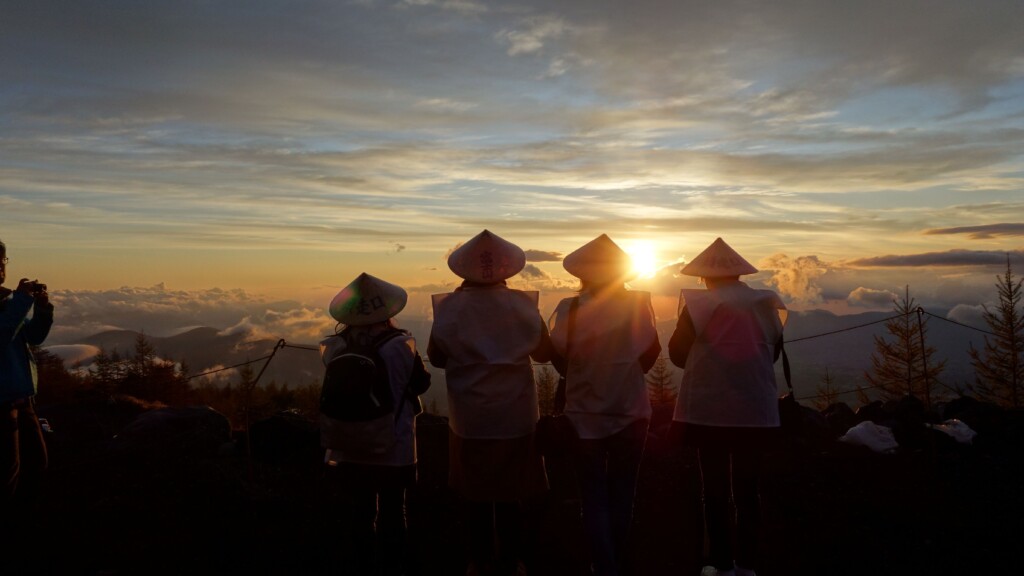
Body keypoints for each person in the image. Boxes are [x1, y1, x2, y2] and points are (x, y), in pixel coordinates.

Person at [427, 229, 552, 576]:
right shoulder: (524, 305)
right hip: (516, 412)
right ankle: (512, 562)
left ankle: (479, 562)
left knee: (475, 494)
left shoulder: (449, 308)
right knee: (511, 492)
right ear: (507, 270)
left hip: (470, 415)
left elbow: (436, 357)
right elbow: (544, 352)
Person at [668, 238, 786, 576]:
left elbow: (677, 354)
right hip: (755, 406)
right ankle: (747, 564)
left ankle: (721, 564)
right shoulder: (765, 303)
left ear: (704, 276)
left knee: (714, 490)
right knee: (748, 490)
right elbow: (772, 352)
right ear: (738, 274)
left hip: (710, 408)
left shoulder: (698, 305)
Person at [547, 234, 660, 576]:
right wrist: (624, 373)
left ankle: (604, 567)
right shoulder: (638, 304)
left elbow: (559, 354)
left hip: (583, 415)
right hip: (631, 411)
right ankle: (618, 563)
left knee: (593, 498)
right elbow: (650, 352)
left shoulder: (569, 308)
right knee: (624, 494)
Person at [319, 272, 431, 576]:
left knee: (360, 512)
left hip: (347, 445)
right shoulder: (402, 345)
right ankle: (393, 566)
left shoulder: (334, 346)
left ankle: (362, 564)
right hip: (394, 444)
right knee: (394, 511)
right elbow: (421, 384)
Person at [1, 239, 54, 527]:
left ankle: (24, 528)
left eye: (1, 262)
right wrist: (22, 302)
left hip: (23, 398)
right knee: (7, 476)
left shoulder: (7, 302)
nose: (0, 269)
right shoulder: (13, 304)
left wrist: (42, 311)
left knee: (36, 465)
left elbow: (32, 337)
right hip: (2, 405)